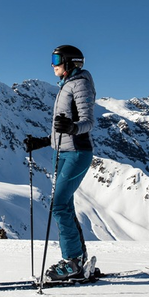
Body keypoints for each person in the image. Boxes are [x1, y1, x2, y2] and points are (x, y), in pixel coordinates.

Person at [24, 45, 96, 282]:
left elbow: (87, 122)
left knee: (59, 205)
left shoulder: (81, 83)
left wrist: (74, 128)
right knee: (65, 205)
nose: (53, 64)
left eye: (56, 59)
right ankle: (79, 259)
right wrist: (44, 141)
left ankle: (73, 261)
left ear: (70, 62)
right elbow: (62, 127)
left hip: (77, 152)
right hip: (62, 152)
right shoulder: (66, 85)